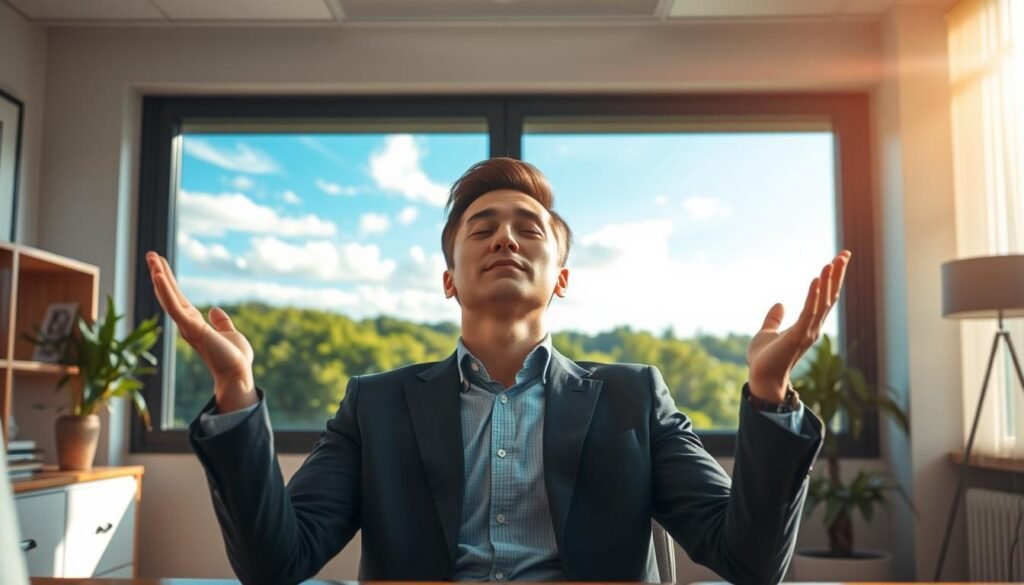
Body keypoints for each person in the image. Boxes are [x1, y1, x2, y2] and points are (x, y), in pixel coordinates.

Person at [146, 157, 848, 585]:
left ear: (562, 277)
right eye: (481, 228)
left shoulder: (636, 396)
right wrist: (237, 393)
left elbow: (751, 562)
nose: (505, 236)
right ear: (449, 279)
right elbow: (277, 563)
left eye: (528, 227)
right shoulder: (376, 403)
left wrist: (768, 392)